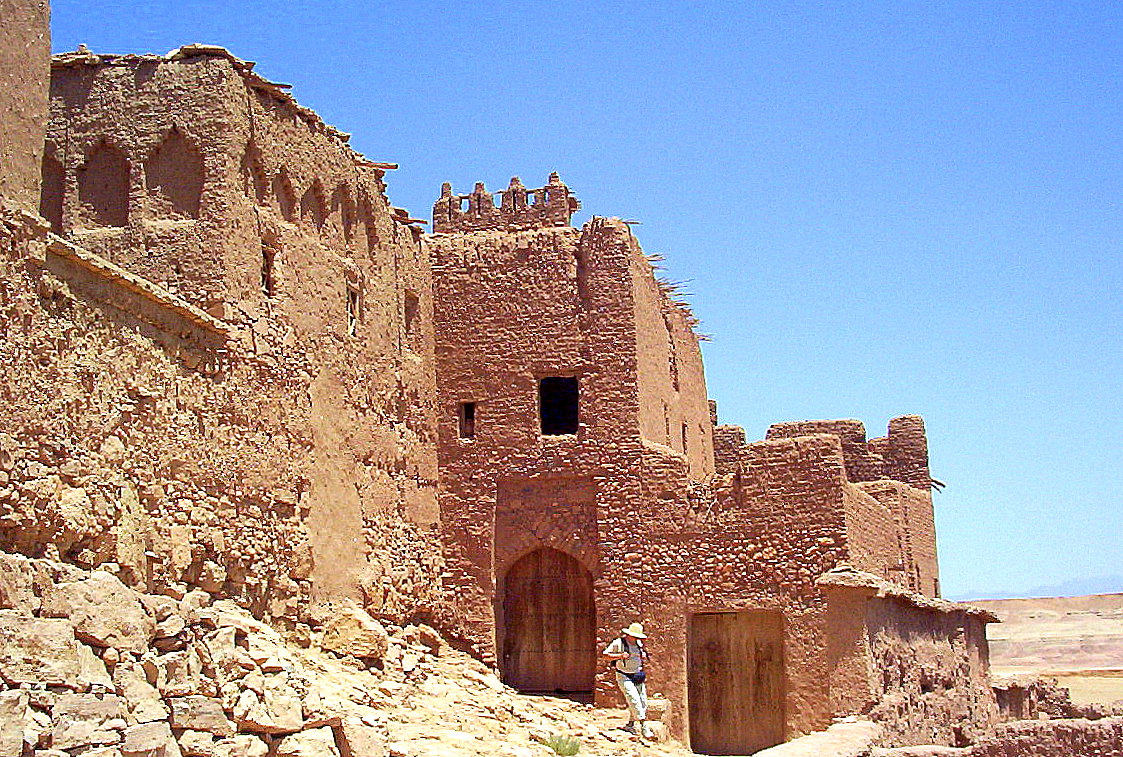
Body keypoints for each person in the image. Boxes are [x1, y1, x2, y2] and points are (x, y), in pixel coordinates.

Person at [602, 622, 652, 738]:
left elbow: (641, 655)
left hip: (637, 675)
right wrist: (620, 656)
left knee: (642, 701)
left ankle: (630, 724)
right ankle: (644, 726)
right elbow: (605, 655)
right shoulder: (619, 643)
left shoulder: (638, 644)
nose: (636, 638)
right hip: (624, 675)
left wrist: (643, 655)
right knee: (633, 698)